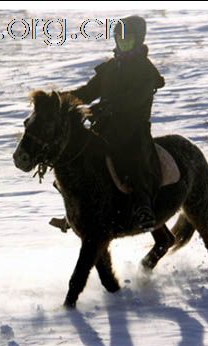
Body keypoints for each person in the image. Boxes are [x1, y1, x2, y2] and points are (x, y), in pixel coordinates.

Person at [50, 15, 165, 231]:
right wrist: (60, 100)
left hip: (133, 129)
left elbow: (135, 99)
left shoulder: (145, 71)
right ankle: (77, 209)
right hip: (103, 127)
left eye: (128, 40)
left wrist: (108, 106)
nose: (123, 44)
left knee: (132, 161)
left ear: (139, 41)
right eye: (119, 39)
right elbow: (86, 92)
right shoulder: (110, 68)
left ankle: (143, 207)